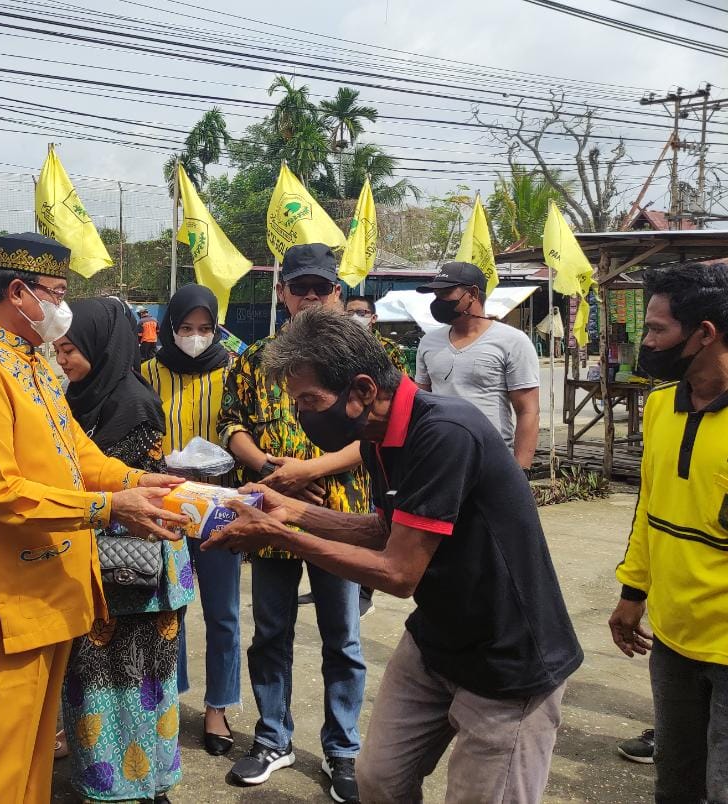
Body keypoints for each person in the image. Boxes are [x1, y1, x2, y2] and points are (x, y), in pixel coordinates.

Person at [207, 306, 583, 803]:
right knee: (378, 780)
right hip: (437, 639)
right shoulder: (380, 436)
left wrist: (282, 536)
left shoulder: (444, 433)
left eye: (309, 401)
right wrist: (289, 509)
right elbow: (385, 530)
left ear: (362, 390)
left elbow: (399, 572)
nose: (302, 417)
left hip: (506, 658)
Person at [0, 233, 187, 803]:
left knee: (31, 772)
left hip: (48, 596)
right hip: (4, 607)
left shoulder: (35, 365)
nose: (62, 306)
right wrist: (107, 507)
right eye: (56, 292)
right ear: (19, 292)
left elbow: (76, 454)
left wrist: (136, 481)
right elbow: (1, 492)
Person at [217, 243, 367, 800]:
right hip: (269, 518)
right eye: (298, 287)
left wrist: (313, 468)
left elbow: (386, 429)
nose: (309, 297)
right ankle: (273, 738)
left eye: (320, 288)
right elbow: (231, 423)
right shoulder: (254, 358)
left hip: (340, 518)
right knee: (271, 634)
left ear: (338, 293)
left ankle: (342, 752)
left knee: (343, 639)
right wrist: (267, 470)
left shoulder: (366, 357)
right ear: (282, 293)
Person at [54, 297, 194, 803]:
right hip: (103, 575)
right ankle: (117, 785)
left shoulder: (131, 404)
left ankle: (139, 787)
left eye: (70, 349)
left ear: (100, 346)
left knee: (135, 689)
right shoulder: (77, 398)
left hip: (138, 580)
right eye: (59, 349)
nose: (62, 358)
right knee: (103, 689)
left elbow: (136, 502)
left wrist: (78, 508)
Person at [608, 262, 728, 803]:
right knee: (675, 785)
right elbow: (648, 513)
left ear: (705, 333)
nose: (647, 342)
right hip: (672, 640)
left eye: (657, 330)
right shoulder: (660, 407)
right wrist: (632, 595)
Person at [141, 284, 242, 757]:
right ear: (170, 328)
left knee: (223, 613)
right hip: (168, 508)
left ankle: (218, 707)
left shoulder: (234, 371)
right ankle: (169, 698)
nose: (195, 337)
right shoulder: (146, 373)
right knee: (170, 611)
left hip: (221, 509)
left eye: (205, 329)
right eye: (185, 328)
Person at [414, 261, 540, 470]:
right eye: (436, 295)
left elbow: (528, 410)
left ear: (472, 293)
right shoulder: (429, 342)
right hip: (439, 458)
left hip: (491, 461)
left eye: (445, 293)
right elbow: (420, 403)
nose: (438, 301)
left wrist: (520, 471)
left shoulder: (512, 341)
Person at [341, 294, 407, 620]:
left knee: (380, 526)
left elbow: (400, 412)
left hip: (378, 460)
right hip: (352, 465)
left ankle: (364, 591)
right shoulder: (336, 355)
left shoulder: (389, 355)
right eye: (350, 313)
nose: (356, 317)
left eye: (362, 313)